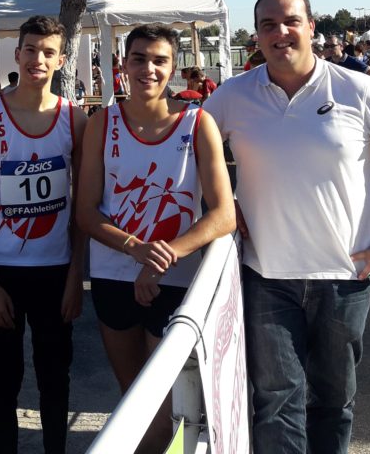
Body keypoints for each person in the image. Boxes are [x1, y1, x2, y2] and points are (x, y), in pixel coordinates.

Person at [203, 0, 370, 454]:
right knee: (276, 401)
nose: (281, 32)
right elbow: (189, 162)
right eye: (269, 25)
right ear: (255, 36)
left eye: (291, 21)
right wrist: (223, 210)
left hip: (345, 276)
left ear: (312, 27)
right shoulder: (232, 97)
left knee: (335, 401)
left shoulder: (355, 88)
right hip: (265, 277)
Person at [77, 25, 235, 452]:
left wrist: (161, 258)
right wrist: (135, 249)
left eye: (159, 60)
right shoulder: (101, 124)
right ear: (124, 65)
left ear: (173, 68)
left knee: (167, 409)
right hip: (113, 277)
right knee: (133, 400)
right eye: (139, 58)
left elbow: (223, 214)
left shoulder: (196, 123)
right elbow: (86, 211)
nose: (149, 68)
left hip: (176, 282)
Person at [0, 15, 86, 454]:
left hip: (55, 273)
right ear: (17, 55)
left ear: (61, 60)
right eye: (30, 49)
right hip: (3, 272)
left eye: (48, 51)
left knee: (55, 380)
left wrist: (75, 278)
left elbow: (83, 208)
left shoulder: (74, 118)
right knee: (2, 383)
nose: (38, 59)